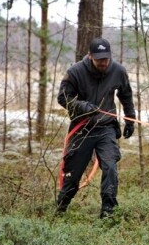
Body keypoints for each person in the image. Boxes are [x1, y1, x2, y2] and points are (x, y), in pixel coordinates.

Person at [56, 37, 136, 218]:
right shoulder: (75, 72)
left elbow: (126, 96)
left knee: (110, 168)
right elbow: (63, 98)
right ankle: (61, 208)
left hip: (106, 128)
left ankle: (108, 211)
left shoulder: (118, 71)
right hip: (82, 128)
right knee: (73, 172)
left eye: (106, 58)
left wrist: (130, 120)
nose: (103, 62)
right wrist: (83, 106)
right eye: (99, 59)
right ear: (90, 56)